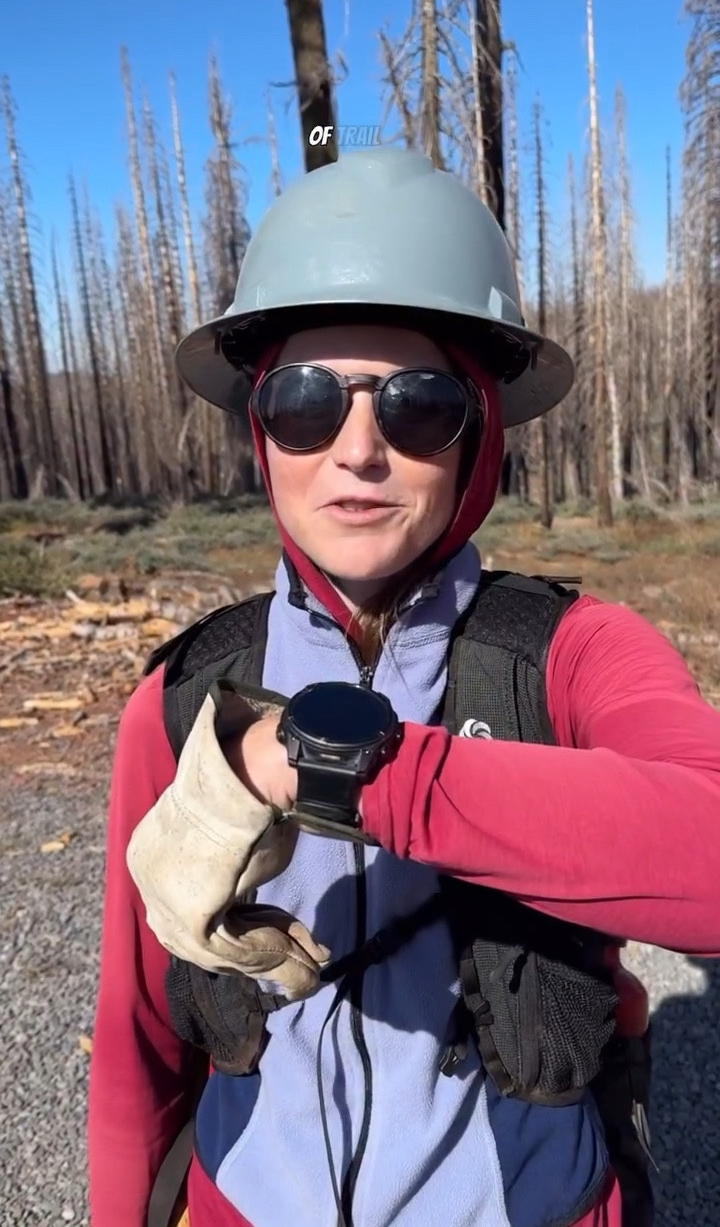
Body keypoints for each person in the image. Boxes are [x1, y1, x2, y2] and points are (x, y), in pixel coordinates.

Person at [88, 147, 720, 1227]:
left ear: (479, 427)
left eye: (419, 404)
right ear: (261, 432)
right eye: (304, 402)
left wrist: (330, 763)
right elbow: (135, 1050)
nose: (360, 449)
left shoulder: (572, 657)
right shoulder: (190, 695)